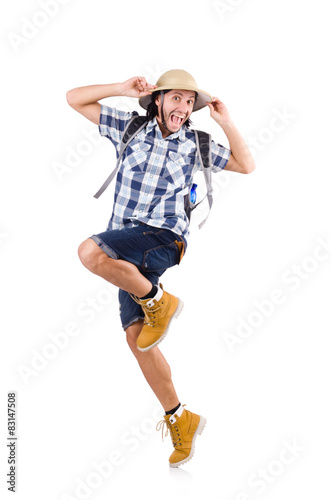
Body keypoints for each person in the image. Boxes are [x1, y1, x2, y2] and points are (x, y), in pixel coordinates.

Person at [66, 69, 255, 467]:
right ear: (159, 100)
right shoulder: (131, 128)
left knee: (89, 252)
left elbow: (246, 164)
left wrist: (225, 121)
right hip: (125, 246)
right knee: (139, 341)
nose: (183, 108)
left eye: (190, 102)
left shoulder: (198, 143)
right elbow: (74, 98)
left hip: (165, 239)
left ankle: (158, 301)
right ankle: (179, 418)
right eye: (177, 99)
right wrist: (119, 89)